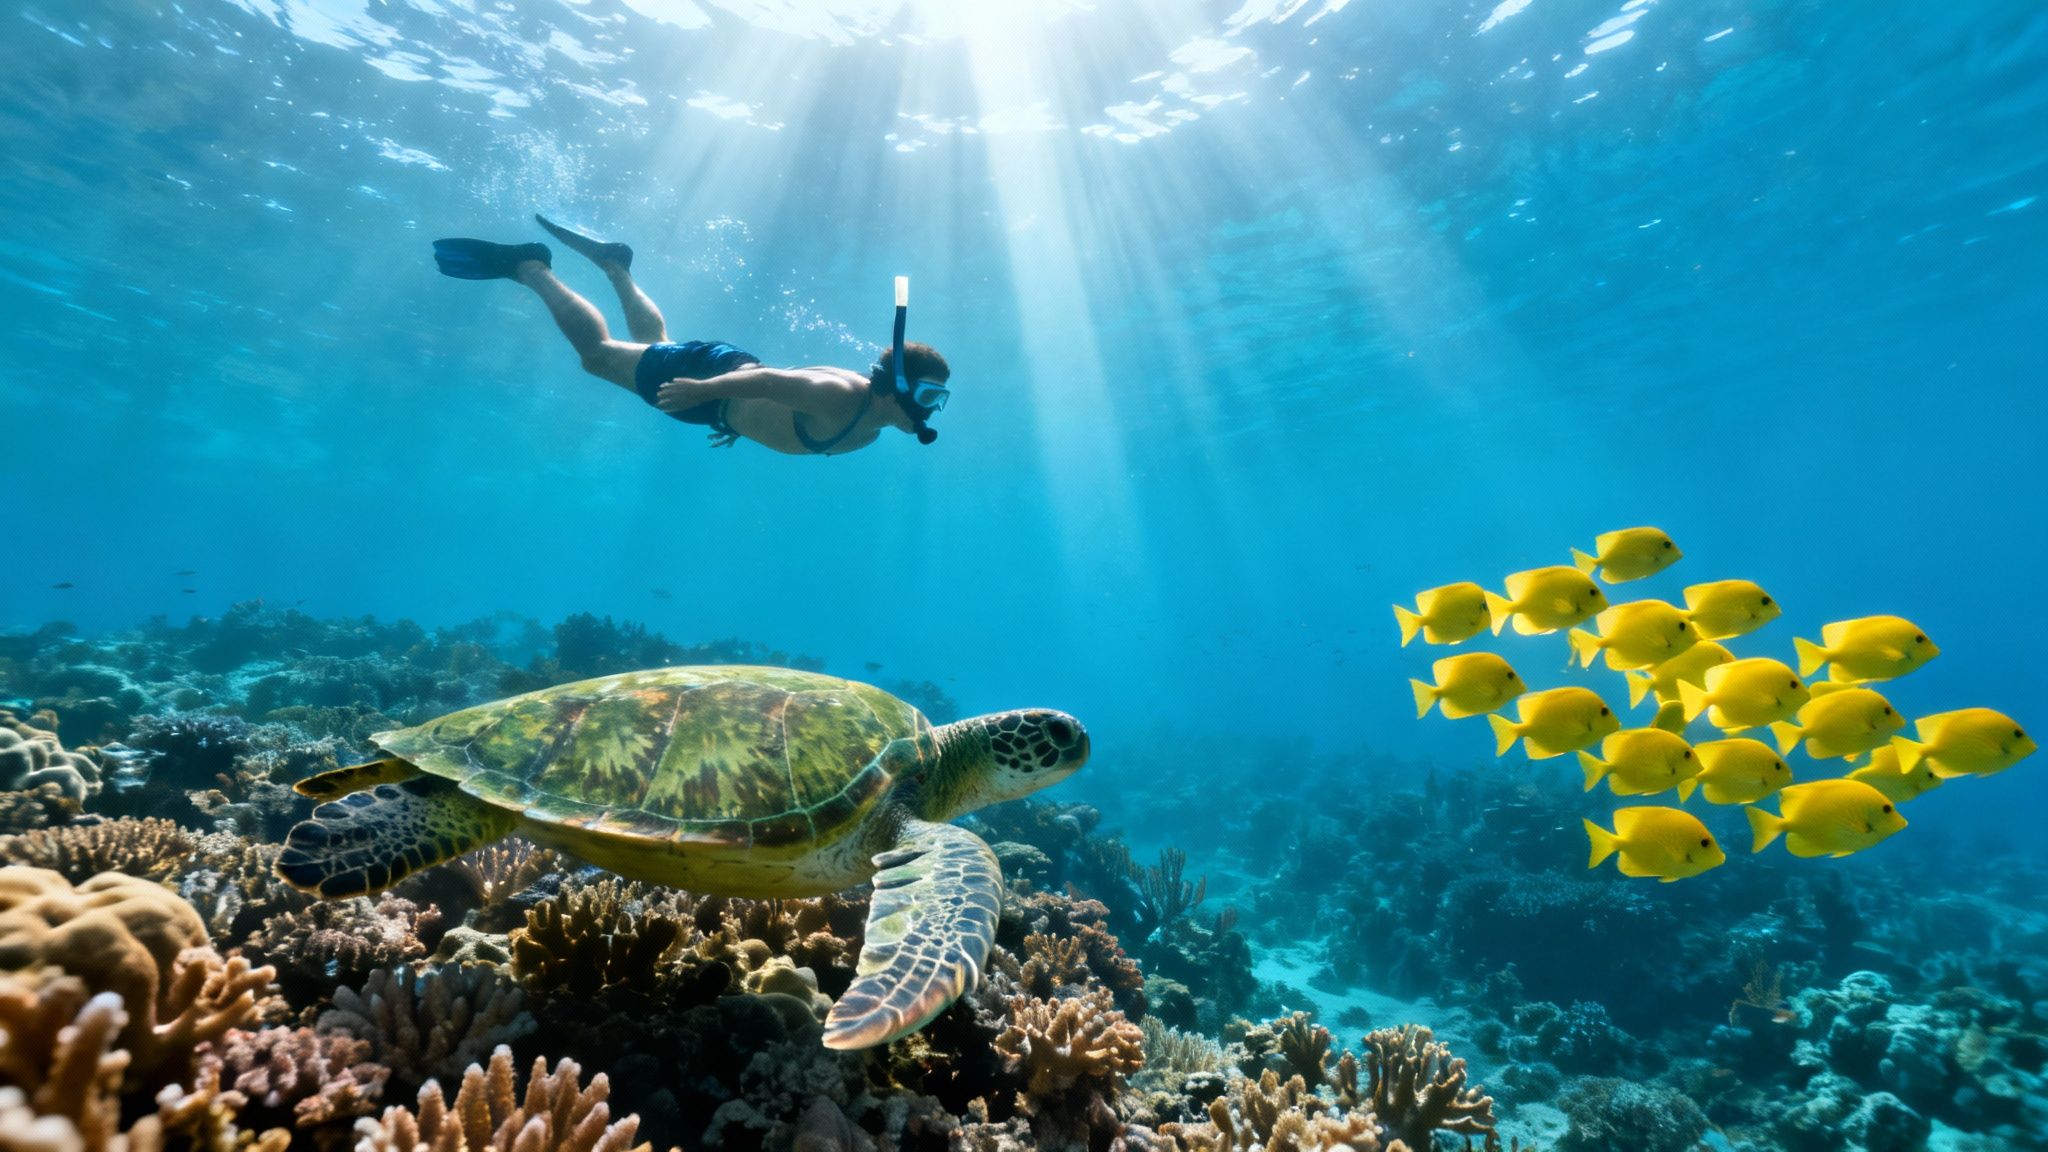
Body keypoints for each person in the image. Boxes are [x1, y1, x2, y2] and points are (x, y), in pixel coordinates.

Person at [430, 216, 952, 455]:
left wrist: (742, 421)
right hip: (714, 384)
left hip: (720, 398)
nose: (930, 411)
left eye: (937, 401)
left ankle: (616, 266)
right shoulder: (840, 397)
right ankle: (529, 266)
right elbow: (771, 382)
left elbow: (777, 398)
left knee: (656, 343)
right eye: (929, 396)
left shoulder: (869, 430)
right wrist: (703, 390)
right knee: (597, 356)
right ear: (898, 386)